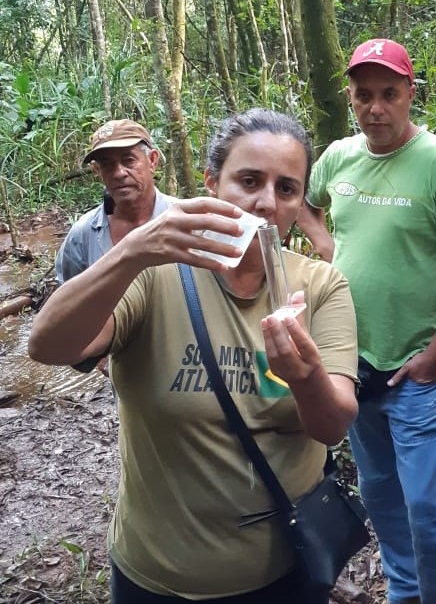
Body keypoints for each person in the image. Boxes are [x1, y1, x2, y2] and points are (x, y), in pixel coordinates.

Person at [29, 109, 359, 603]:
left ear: (299, 204)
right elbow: (47, 347)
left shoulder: (320, 285)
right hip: (159, 577)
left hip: (285, 570)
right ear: (211, 185)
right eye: (248, 180)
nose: (266, 202)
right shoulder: (155, 273)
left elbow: (333, 426)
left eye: (286, 189)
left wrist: (305, 376)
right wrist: (133, 250)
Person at [298, 38, 436, 604]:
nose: (375, 108)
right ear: (351, 100)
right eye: (363, 96)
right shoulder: (337, 158)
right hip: (352, 360)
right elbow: (305, 202)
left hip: (414, 365)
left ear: (410, 94)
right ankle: (405, 593)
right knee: (380, 493)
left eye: (388, 94)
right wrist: (323, 241)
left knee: (426, 502)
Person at [54, 118, 175, 375]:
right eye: (107, 165)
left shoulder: (184, 220)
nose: (119, 172)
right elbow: (72, 300)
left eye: (129, 160)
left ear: (152, 160)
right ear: (98, 172)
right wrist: (98, 355)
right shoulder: (84, 234)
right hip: (124, 369)